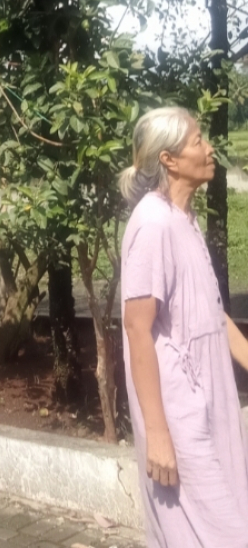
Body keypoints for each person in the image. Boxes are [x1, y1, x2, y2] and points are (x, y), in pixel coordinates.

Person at [120, 106, 248, 546]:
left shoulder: (183, 220)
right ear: (169, 159)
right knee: (222, 532)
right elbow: (137, 329)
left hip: (212, 400)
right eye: (198, 141)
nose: (210, 149)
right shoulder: (153, 224)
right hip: (178, 411)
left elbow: (211, 314)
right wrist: (157, 434)